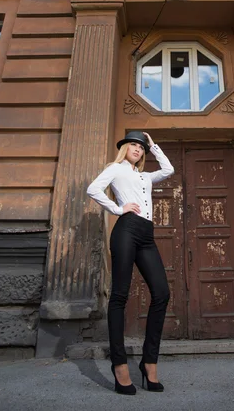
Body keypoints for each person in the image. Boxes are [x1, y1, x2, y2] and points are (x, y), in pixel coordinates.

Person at [86, 131, 174, 395]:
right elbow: (93, 189)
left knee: (162, 293)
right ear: (124, 149)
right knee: (120, 296)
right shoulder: (115, 169)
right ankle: (119, 364)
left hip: (147, 234)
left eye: (141, 147)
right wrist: (117, 209)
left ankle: (149, 362)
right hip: (126, 230)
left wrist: (153, 145)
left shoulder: (145, 176)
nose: (138, 149)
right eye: (133, 145)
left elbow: (168, 169)